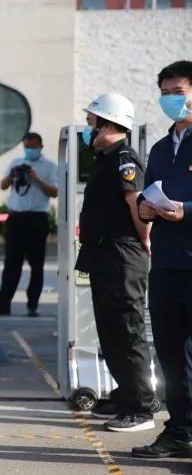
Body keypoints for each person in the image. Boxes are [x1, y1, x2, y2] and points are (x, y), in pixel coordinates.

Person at [75, 93, 156, 432]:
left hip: (122, 256)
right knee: (110, 330)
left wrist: (145, 240)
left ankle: (141, 407)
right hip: (105, 255)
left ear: (108, 125)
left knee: (127, 330)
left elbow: (137, 203)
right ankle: (126, 394)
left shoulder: (124, 158)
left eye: (91, 123)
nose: (88, 129)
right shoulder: (106, 158)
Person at [134, 60, 192, 458]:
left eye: (179, 93)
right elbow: (145, 194)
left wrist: (185, 211)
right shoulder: (159, 148)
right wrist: (145, 208)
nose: (171, 100)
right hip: (167, 265)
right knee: (170, 352)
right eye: (165, 93)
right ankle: (179, 431)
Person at [0, 133, 58, 317]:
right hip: (16, 218)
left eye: (33, 147)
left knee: (37, 264)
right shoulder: (16, 163)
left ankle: (33, 305)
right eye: (27, 147)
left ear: (41, 147)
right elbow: (3, 186)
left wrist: (36, 178)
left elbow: (55, 192)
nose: (30, 150)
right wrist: (12, 175)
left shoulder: (50, 166)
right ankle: (3, 304)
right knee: (11, 264)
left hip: (37, 219)